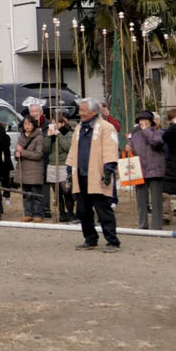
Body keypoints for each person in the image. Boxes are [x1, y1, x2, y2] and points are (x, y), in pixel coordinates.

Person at [66, 99, 121, 251]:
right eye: (80, 110)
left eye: (84, 110)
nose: (80, 113)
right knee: (83, 210)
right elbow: (73, 150)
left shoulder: (106, 127)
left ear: (94, 111)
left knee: (103, 210)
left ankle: (112, 241)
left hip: (98, 175)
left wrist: (109, 169)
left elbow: (110, 149)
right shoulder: (78, 128)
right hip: (81, 174)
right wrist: (69, 170)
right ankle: (90, 239)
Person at [129, 111, 166, 230]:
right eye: (141, 121)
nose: (143, 122)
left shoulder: (159, 133)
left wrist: (146, 131)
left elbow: (156, 143)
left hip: (155, 170)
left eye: (145, 120)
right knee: (141, 201)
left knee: (156, 200)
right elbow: (134, 152)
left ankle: (156, 226)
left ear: (151, 122)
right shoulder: (135, 136)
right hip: (140, 170)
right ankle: (143, 224)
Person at [45, 113, 76, 222]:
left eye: (56, 122)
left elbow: (67, 147)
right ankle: (62, 213)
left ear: (62, 123)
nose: (53, 124)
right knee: (57, 192)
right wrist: (48, 137)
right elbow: (46, 149)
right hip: (52, 164)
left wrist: (58, 134)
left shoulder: (69, 133)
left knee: (66, 190)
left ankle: (71, 212)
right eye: (52, 122)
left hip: (63, 164)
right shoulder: (51, 134)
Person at [15, 115, 47, 222]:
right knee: (26, 194)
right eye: (25, 123)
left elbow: (38, 155)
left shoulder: (39, 137)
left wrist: (22, 152)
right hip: (23, 169)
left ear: (33, 124)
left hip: (35, 170)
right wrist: (17, 154)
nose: (27, 126)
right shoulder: (21, 137)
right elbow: (18, 152)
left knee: (36, 194)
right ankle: (28, 213)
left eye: (29, 123)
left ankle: (38, 214)